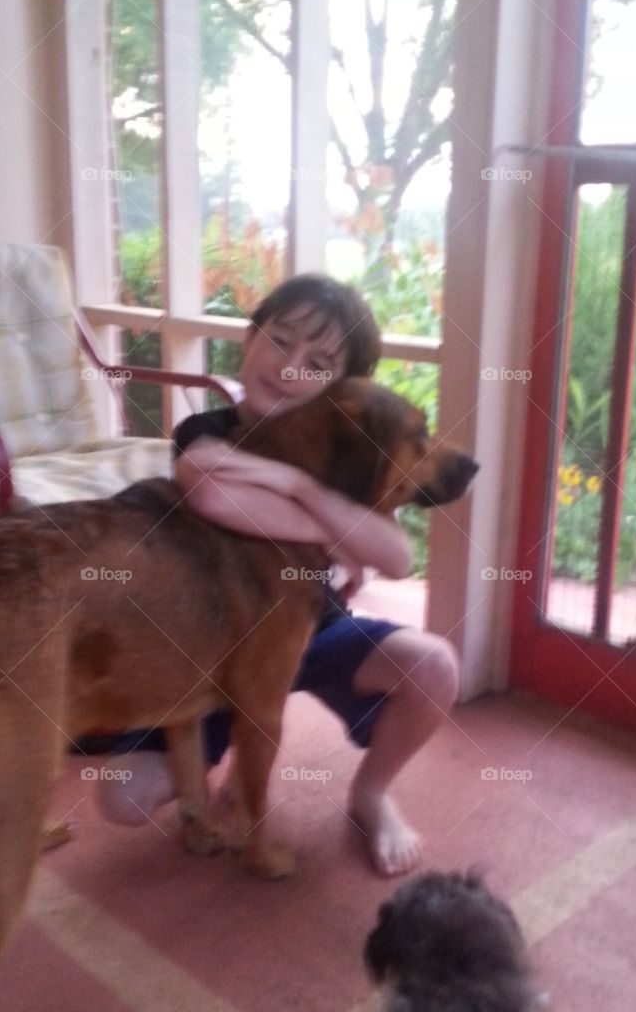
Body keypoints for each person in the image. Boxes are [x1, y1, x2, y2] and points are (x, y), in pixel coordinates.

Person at [92, 274, 460, 876]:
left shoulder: (348, 456)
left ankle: (370, 795)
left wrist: (304, 491)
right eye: (280, 341)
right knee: (121, 799)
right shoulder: (209, 431)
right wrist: (326, 517)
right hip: (215, 659)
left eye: (317, 363)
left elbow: (396, 557)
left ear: (341, 390)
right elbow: (212, 494)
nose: (289, 368)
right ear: (250, 337)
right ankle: (238, 743)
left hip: (315, 636)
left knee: (436, 665)